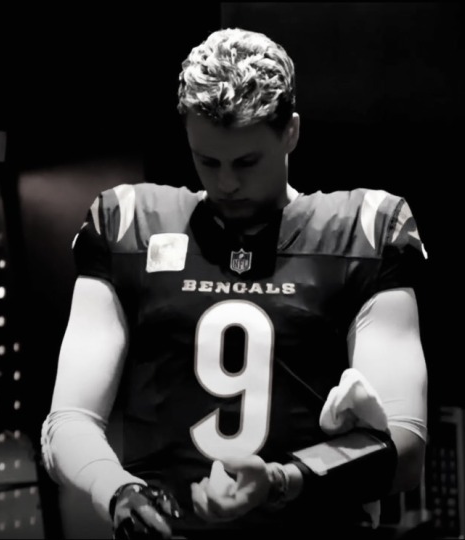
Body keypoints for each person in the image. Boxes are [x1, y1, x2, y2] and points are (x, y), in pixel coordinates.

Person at [41, 27, 428, 539]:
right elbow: (67, 420)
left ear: (290, 133)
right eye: (208, 161)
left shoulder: (362, 232)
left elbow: (405, 445)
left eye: (247, 162)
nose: (226, 182)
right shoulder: (128, 223)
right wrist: (116, 489)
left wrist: (281, 480)